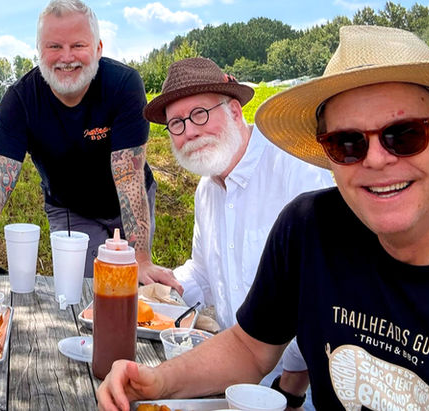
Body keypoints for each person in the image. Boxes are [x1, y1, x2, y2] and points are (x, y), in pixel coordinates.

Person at [97, 25, 429, 410]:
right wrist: (157, 378)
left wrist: (290, 390)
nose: (375, 158)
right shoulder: (309, 224)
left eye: (404, 134)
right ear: (328, 154)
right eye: (347, 143)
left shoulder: (297, 177)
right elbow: (250, 344)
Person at [0, 0, 180, 291]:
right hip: (69, 207)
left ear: (98, 48)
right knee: (84, 289)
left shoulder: (123, 84)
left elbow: (128, 176)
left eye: (78, 45)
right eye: (54, 46)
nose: (66, 57)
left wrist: (141, 258)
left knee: (130, 283)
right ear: (39, 52)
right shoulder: (20, 101)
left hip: (129, 200)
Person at [142, 57, 335, 409]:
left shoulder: (295, 167)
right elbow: (202, 273)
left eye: (200, 113)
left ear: (234, 110)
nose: (190, 131)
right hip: (233, 384)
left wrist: (294, 385)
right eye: (176, 123)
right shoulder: (207, 190)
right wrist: (158, 289)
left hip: (303, 396)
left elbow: (329, 293)